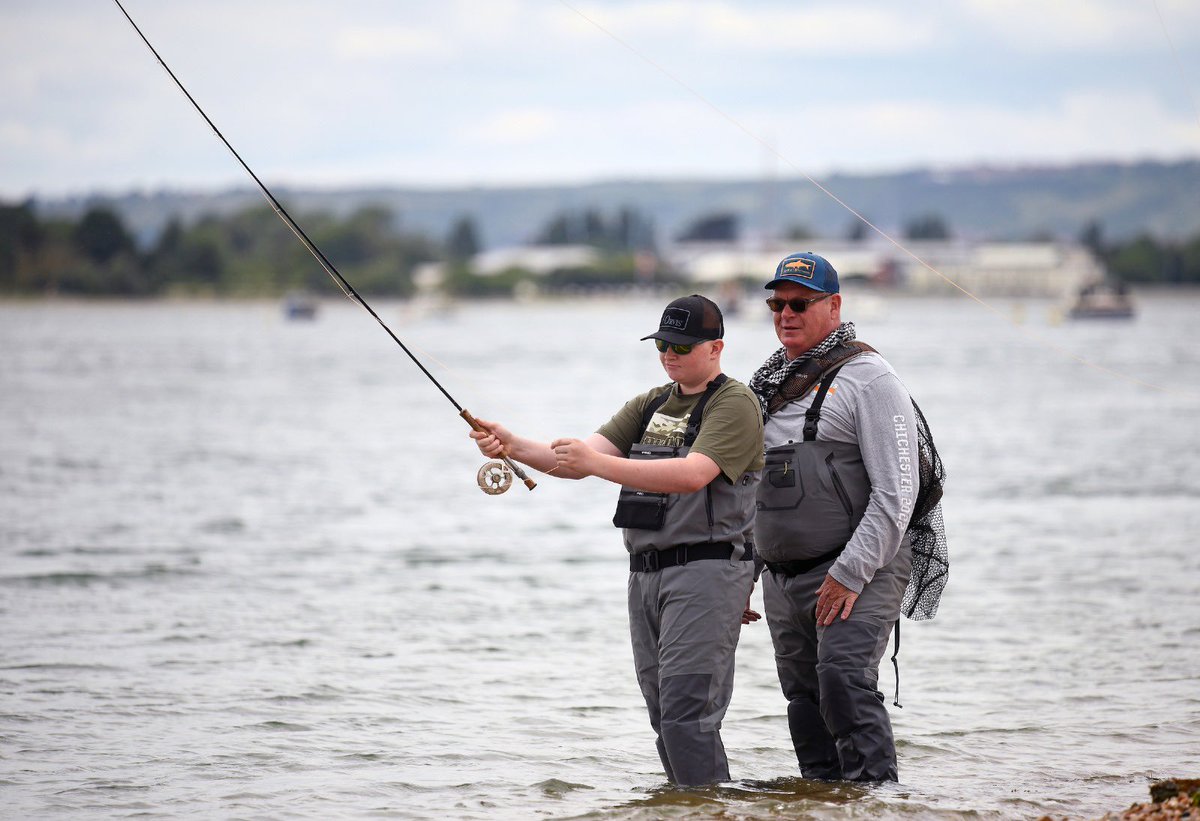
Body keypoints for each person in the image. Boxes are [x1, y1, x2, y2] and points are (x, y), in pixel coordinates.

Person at [470, 294, 764, 787]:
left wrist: (596, 464)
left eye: (682, 346)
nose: (670, 354)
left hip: (708, 571)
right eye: (663, 344)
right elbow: (574, 460)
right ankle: (689, 805)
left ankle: (708, 806)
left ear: (716, 347)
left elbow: (695, 474)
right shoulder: (650, 403)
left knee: (687, 712)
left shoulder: (735, 402)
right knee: (662, 713)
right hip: (646, 576)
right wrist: (512, 444)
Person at [748, 252, 942, 782]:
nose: (785, 314)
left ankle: (878, 800)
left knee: (843, 682)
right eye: (776, 304)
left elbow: (896, 495)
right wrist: (742, 576)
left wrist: (848, 573)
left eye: (799, 304)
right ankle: (823, 801)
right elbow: (746, 493)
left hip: (860, 568)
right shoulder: (764, 385)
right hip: (782, 575)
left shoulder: (871, 379)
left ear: (834, 306)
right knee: (803, 699)